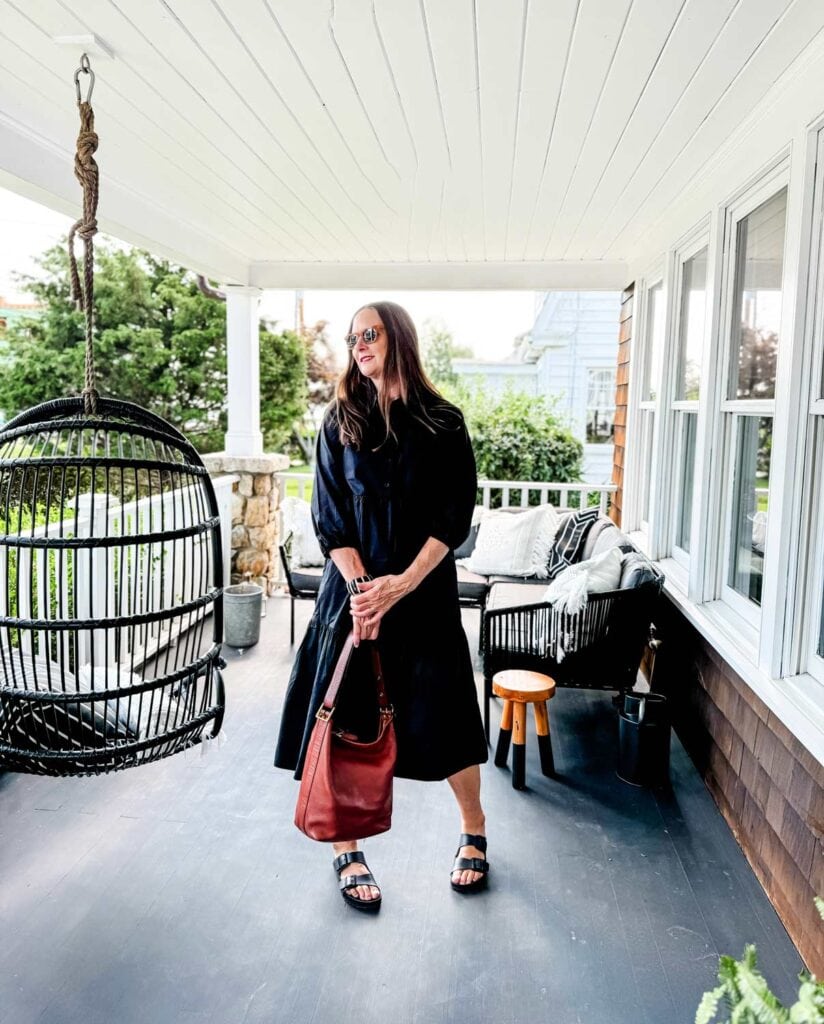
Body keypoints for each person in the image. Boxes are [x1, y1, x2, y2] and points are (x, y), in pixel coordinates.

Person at [274, 300, 489, 912]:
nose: (358, 345)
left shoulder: (445, 423)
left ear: (397, 337)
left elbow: (452, 520)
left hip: (423, 601)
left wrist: (401, 585)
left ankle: (474, 830)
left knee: (446, 719)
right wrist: (369, 590)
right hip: (353, 600)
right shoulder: (338, 420)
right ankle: (347, 849)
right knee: (344, 723)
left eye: (369, 333)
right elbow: (331, 517)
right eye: (351, 338)